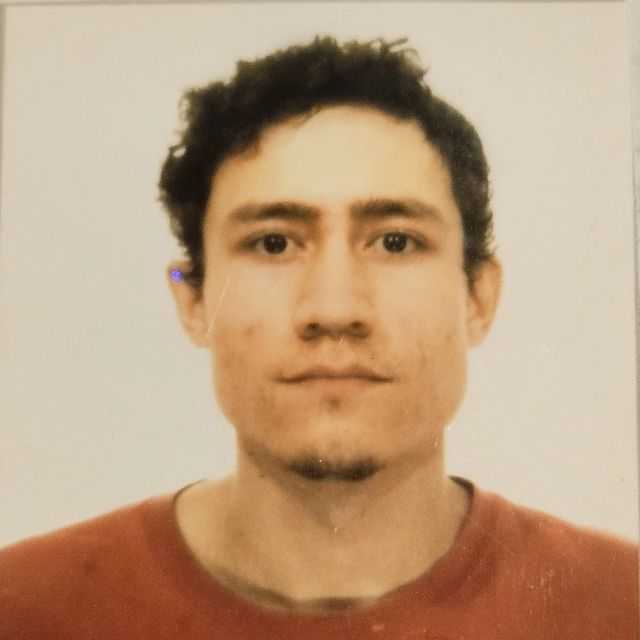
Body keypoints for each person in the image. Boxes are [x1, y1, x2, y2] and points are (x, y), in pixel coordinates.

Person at [1, 36, 637, 639]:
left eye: (395, 242)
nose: (334, 309)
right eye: (274, 243)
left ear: (478, 296)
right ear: (193, 300)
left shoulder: (618, 604)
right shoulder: (24, 606)